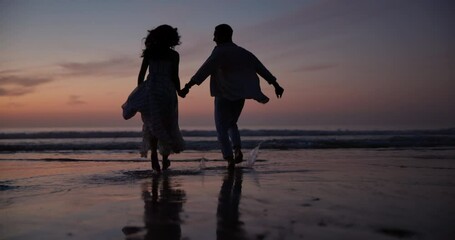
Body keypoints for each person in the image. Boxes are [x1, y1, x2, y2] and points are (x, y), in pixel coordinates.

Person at [179, 24, 284, 169]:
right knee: (231, 123)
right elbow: (261, 68)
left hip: (223, 94)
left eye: (215, 34)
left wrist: (187, 87)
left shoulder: (220, 52)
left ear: (223, 35)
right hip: (240, 94)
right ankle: (237, 149)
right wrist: (275, 84)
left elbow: (204, 69)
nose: (213, 37)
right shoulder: (243, 52)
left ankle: (229, 159)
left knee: (221, 128)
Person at [123, 25, 185, 172]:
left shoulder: (150, 53)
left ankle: (154, 156)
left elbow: (141, 75)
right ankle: (164, 159)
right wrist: (180, 91)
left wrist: (141, 91)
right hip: (167, 91)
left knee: (152, 123)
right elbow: (175, 77)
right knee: (166, 123)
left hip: (152, 89)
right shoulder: (174, 56)